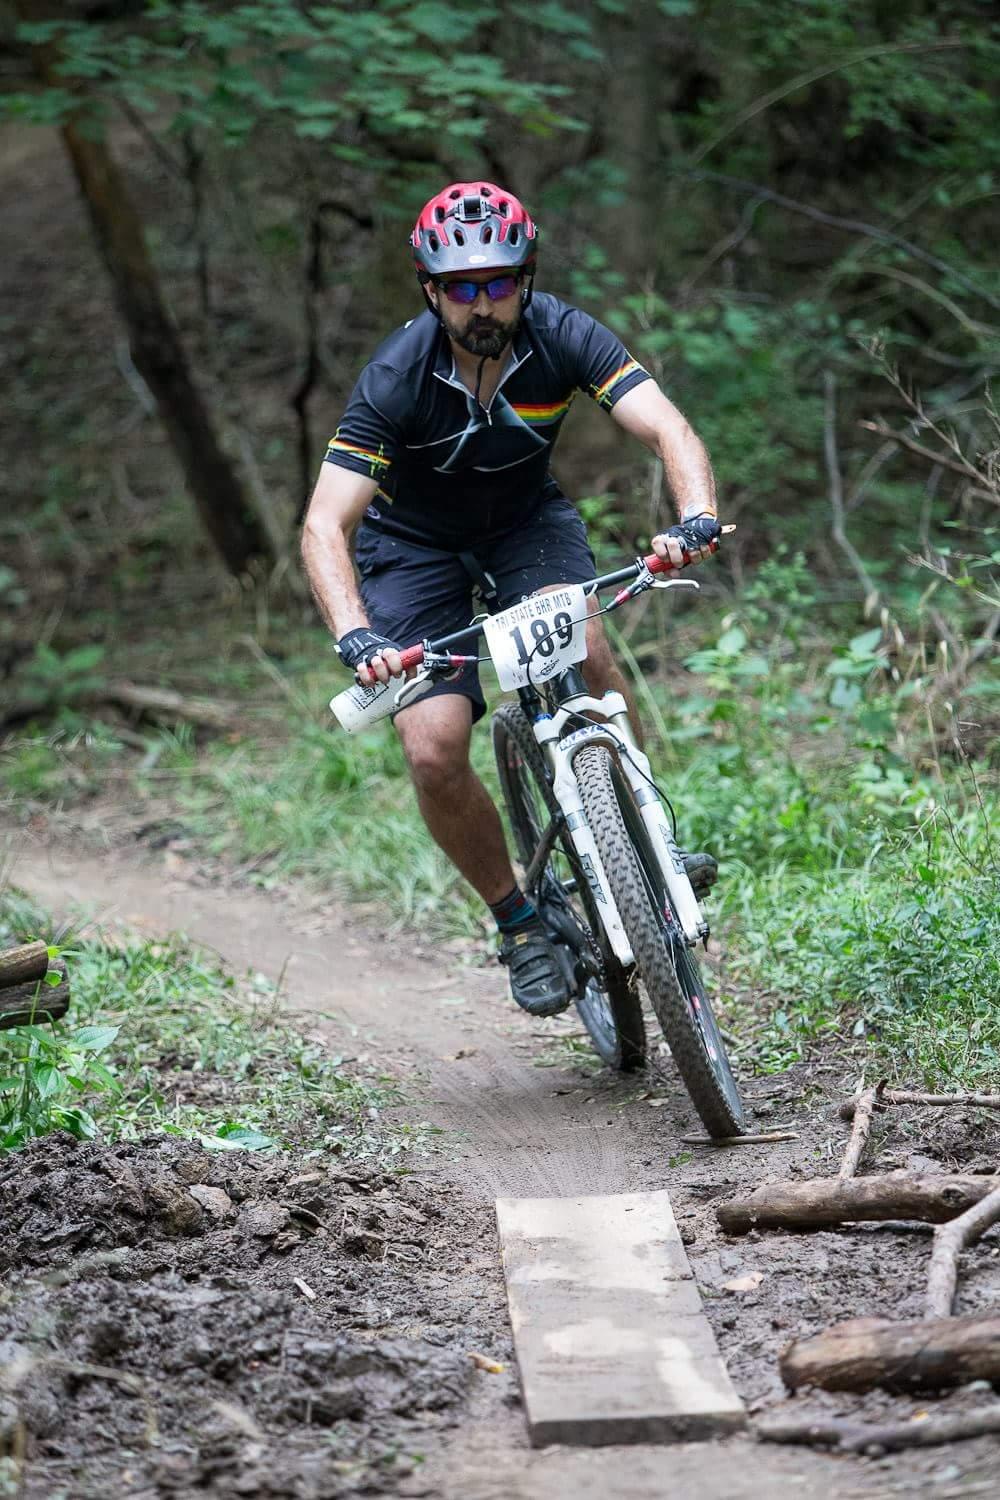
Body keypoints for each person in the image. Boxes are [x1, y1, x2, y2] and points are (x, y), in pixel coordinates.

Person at [301, 181, 722, 1019]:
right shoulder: (396, 375)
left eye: (498, 281)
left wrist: (695, 515)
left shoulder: (562, 335)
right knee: (431, 747)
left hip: (525, 524)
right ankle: (520, 921)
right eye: (462, 288)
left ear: (524, 279)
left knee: (584, 636)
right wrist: (354, 636)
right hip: (412, 549)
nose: (482, 302)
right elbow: (323, 524)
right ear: (433, 291)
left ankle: (647, 830)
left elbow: (668, 429)